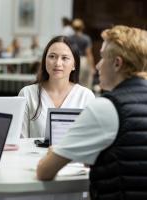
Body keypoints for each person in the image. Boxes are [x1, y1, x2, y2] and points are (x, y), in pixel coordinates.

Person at [37, 25, 147, 200]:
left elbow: (44, 172)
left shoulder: (105, 108)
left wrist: (56, 153)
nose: (97, 65)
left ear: (117, 63)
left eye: (102, 57)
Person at [18, 36, 95, 138]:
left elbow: (89, 140)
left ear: (74, 65)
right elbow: (20, 142)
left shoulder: (86, 96)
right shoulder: (27, 94)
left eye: (65, 58)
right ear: (44, 60)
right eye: (52, 56)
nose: (58, 63)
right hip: (35, 154)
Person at [69, 18, 95, 89]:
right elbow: (88, 53)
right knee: (86, 82)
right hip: (83, 60)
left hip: (73, 59)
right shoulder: (86, 38)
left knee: (75, 81)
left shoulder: (69, 38)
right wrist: (92, 67)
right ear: (82, 27)